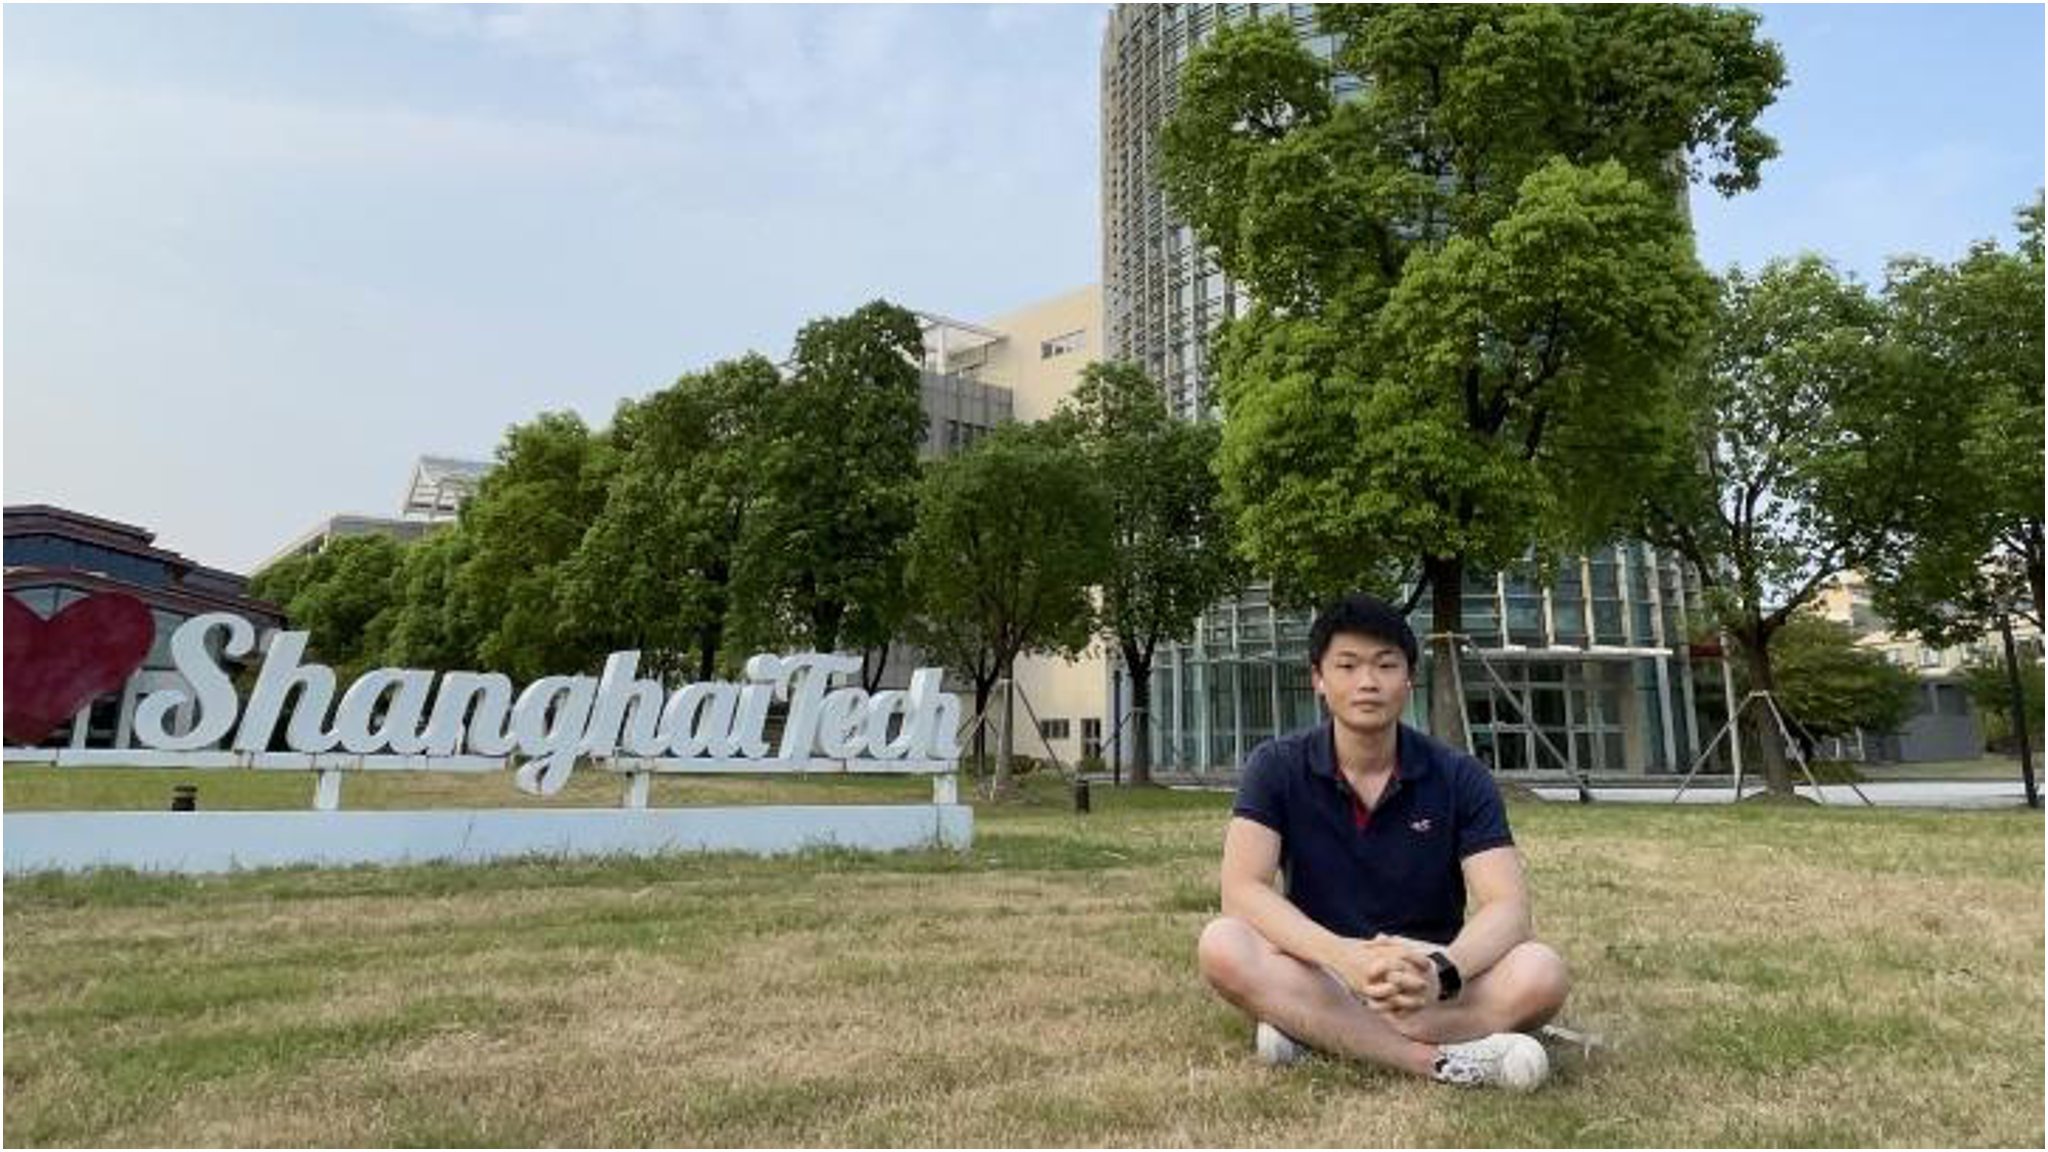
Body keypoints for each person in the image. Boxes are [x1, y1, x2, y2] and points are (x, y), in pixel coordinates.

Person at [1196, 593, 1571, 1091]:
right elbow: (1242, 890)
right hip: (1321, 967)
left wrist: (1443, 970)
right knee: (1222, 943)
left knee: (1541, 971)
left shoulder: (1460, 776)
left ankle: (1314, 1031)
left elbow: (1508, 907)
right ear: (1318, 679)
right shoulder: (1276, 767)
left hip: (1427, 976)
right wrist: (1345, 958)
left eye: (1386, 665)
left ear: (1409, 678)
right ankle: (1434, 1061)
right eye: (1347, 665)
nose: (1368, 682)